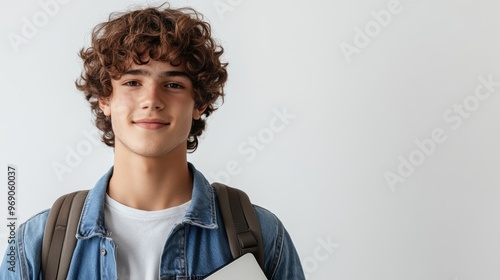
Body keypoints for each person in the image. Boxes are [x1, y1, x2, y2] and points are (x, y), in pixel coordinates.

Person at [0, 3, 305, 279]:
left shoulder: (261, 235)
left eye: (173, 84)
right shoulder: (37, 242)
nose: (152, 100)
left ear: (198, 102)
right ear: (105, 97)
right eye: (133, 82)